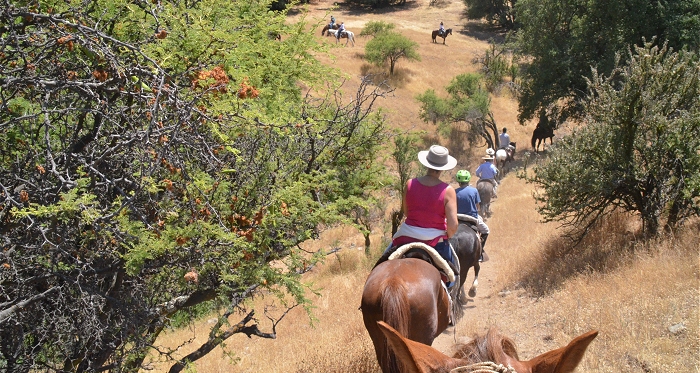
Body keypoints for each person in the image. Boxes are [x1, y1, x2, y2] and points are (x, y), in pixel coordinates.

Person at [382, 145, 459, 284]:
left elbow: (406, 212)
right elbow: (453, 225)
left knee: (380, 266)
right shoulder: (448, 191)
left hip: (406, 237)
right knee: (452, 278)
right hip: (436, 241)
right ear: (443, 168)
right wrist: (447, 234)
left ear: (426, 164)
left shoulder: (410, 184)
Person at [454, 170, 489, 262]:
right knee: (486, 230)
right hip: (472, 218)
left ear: (458, 181)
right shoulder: (474, 190)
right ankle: (480, 253)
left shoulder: (454, 191)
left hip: (457, 217)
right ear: (468, 180)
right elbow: (477, 207)